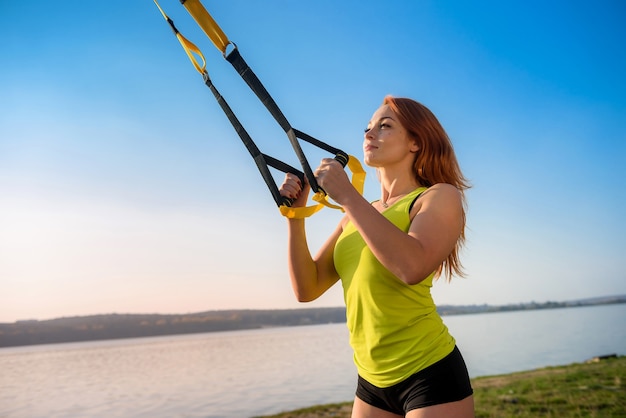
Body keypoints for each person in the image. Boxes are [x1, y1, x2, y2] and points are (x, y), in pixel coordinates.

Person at [279, 95, 474, 418]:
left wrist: (348, 197)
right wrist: (295, 218)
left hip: (428, 369)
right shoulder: (358, 213)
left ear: (416, 142)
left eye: (385, 126)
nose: (369, 134)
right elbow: (306, 288)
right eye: (368, 128)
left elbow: (411, 267)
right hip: (371, 380)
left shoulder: (437, 196)